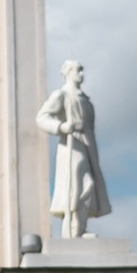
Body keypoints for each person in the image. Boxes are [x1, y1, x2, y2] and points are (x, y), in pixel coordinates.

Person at [36, 57, 112, 239]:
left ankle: (80, 229)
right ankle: (72, 231)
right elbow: (42, 118)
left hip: (88, 143)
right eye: (78, 70)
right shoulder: (61, 95)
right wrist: (61, 127)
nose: (81, 73)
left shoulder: (84, 98)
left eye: (82, 69)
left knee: (89, 186)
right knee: (80, 184)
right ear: (68, 72)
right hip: (72, 144)